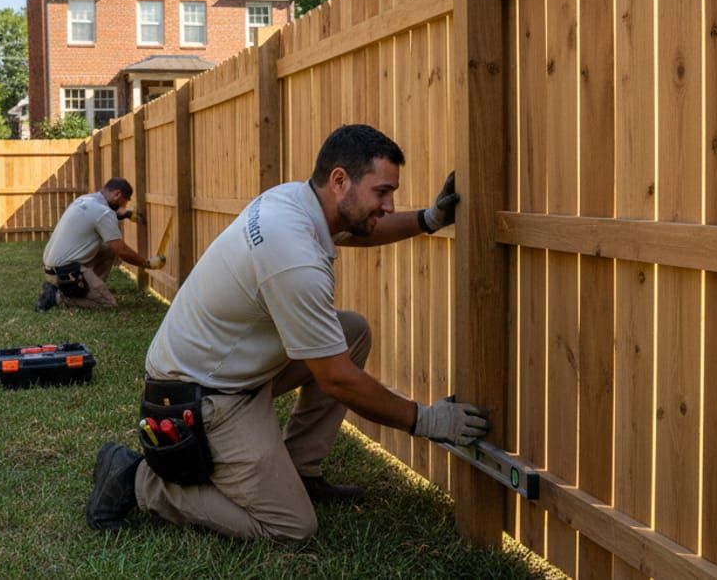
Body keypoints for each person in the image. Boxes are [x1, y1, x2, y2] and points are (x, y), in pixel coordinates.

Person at [84, 125, 490, 539]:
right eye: (381, 192)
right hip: (202, 396)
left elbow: (355, 229)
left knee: (350, 332)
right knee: (291, 525)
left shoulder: (293, 200)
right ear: (339, 180)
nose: (388, 205)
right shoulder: (293, 257)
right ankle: (138, 481)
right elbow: (336, 379)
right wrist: (425, 420)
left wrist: (428, 219)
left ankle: (299, 468)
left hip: (220, 367)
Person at [36, 177, 165, 311]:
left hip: (52, 267)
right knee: (108, 304)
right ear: (117, 194)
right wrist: (147, 264)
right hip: (67, 272)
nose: (123, 206)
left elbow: (98, 217)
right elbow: (122, 251)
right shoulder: (104, 213)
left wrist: (126, 214)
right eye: (124, 203)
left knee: (108, 249)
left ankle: (90, 288)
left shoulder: (85, 199)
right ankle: (58, 296)